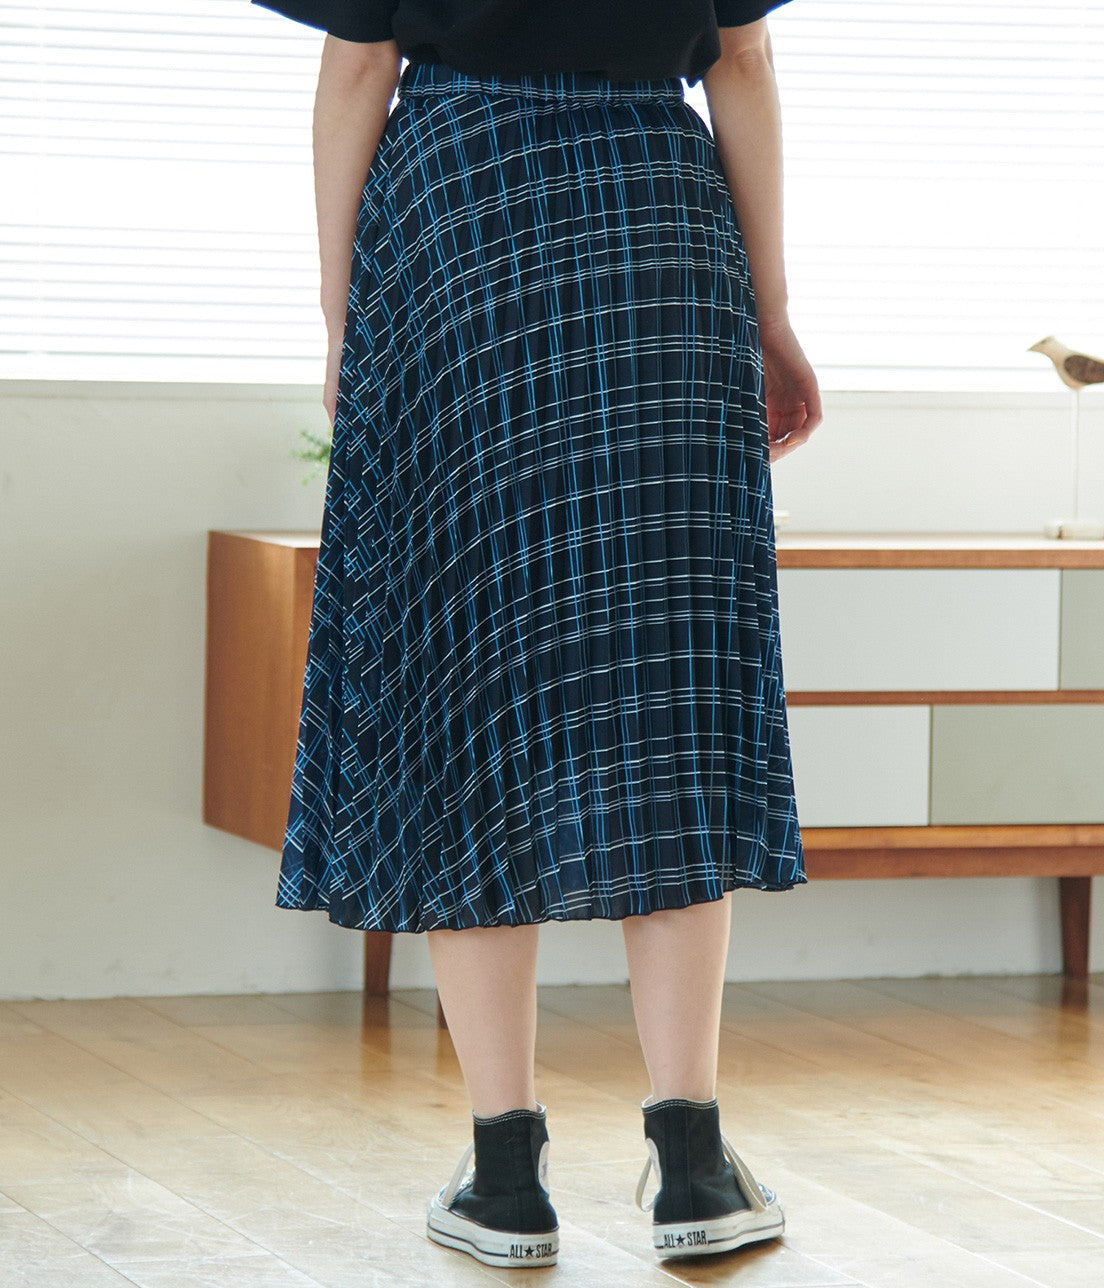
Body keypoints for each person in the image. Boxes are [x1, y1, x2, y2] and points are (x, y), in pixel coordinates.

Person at [251, 0, 822, 1268]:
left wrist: (347, 317)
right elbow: (741, 59)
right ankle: (692, 1164)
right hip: (654, 224)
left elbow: (357, 69)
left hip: (459, 221)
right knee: (665, 691)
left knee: (463, 679)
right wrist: (771, 312)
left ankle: (505, 1178)